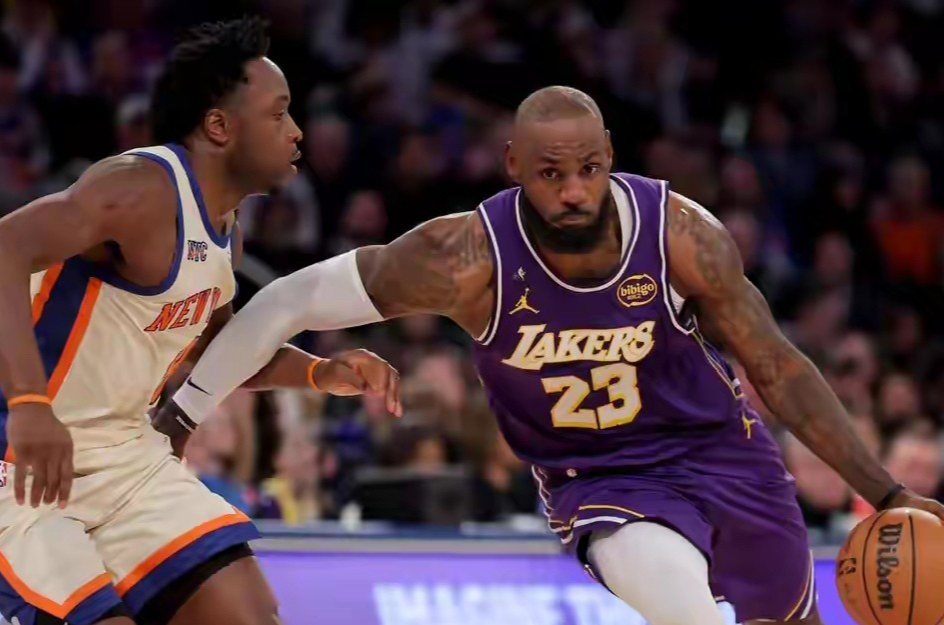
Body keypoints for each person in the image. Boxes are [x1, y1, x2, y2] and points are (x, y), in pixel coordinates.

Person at [161, 86, 944, 625]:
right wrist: (185, 411)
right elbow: (289, 300)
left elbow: (777, 366)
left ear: (610, 155)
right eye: (550, 174)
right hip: (601, 481)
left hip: (723, 455)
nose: (573, 191)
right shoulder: (465, 257)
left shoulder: (681, 234)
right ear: (512, 166)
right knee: (691, 616)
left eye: (588, 169)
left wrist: (886, 490)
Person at [0, 17, 400, 625]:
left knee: (250, 614)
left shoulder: (225, 235)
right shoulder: (139, 187)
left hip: (124, 459)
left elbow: (218, 349)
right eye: (278, 114)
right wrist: (29, 403)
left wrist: (318, 373)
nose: (296, 131)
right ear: (219, 126)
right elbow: (6, 247)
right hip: (19, 457)